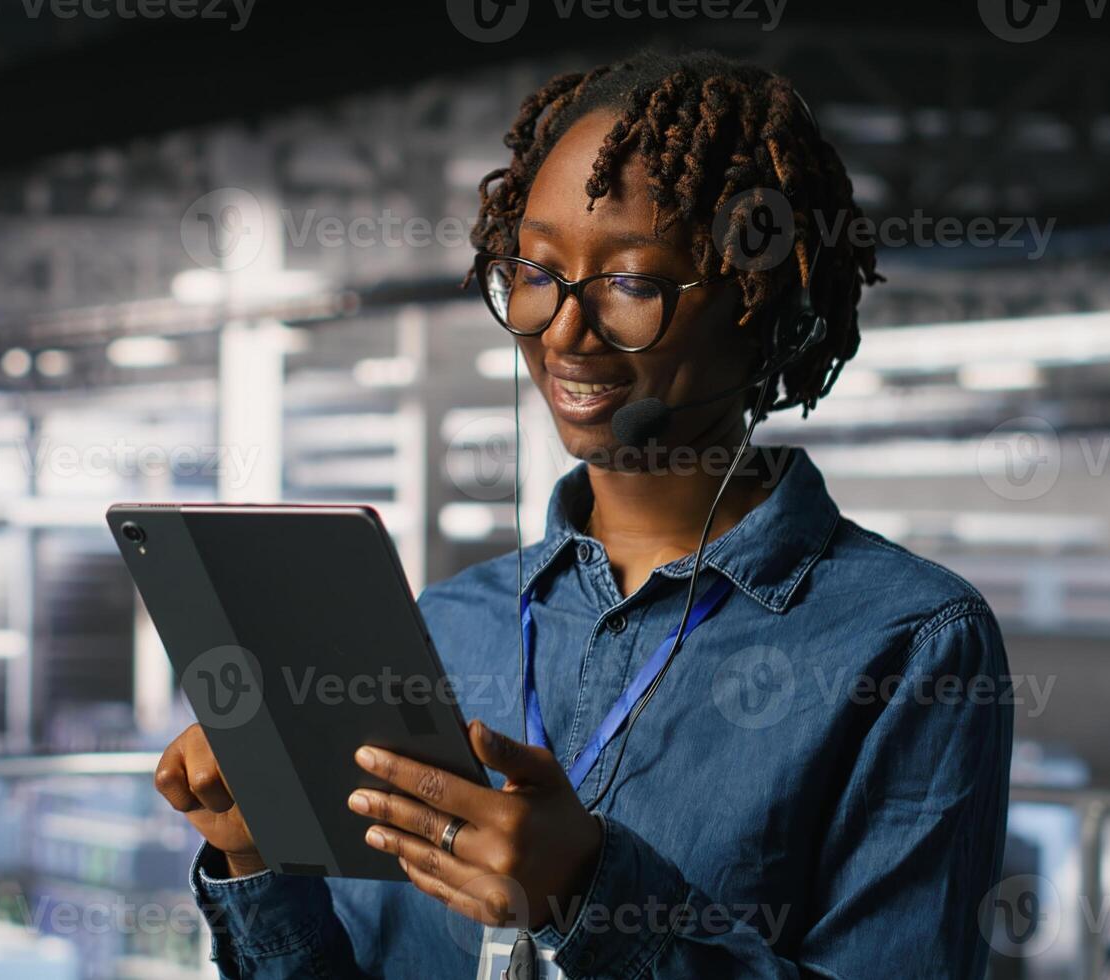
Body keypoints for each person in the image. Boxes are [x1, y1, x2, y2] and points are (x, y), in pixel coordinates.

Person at [155, 49, 1012, 979]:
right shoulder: (447, 628)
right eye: (535, 272)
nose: (563, 330)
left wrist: (590, 896)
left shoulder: (908, 645)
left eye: (633, 284)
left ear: (766, 307)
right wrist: (253, 858)